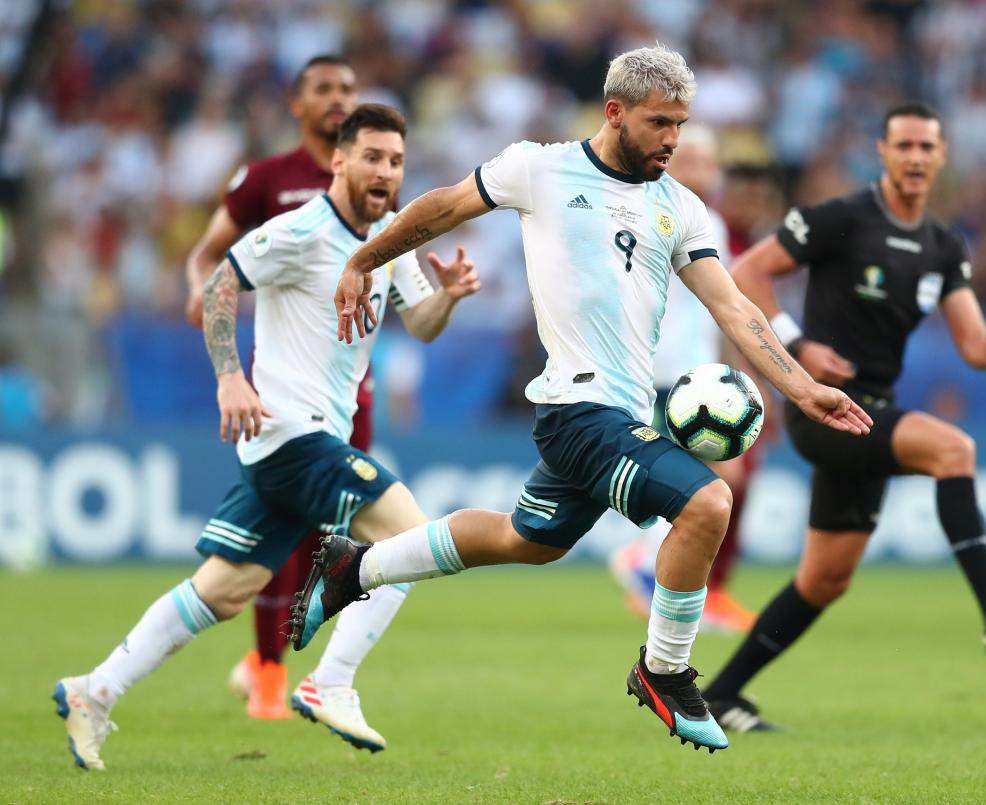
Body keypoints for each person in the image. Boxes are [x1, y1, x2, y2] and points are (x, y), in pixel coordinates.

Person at [290, 45, 871, 754]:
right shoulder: (539, 167)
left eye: (681, 125)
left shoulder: (680, 208)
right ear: (616, 111)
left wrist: (802, 385)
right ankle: (665, 669)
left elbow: (733, 306)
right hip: (577, 410)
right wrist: (362, 259)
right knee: (709, 502)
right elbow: (443, 206)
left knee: (526, 539)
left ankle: (356, 565)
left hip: (619, 415)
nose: (673, 141)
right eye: (660, 123)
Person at [54, 104, 481, 770]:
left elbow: (420, 323)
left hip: (297, 445)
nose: (385, 171)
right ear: (338, 160)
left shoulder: (394, 241)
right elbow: (223, 282)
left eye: (396, 161)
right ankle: (331, 680)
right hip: (289, 432)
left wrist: (448, 295)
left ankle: (94, 690)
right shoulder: (302, 230)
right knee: (412, 538)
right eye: (371, 156)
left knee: (222, 591)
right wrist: (229, 377)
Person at [700, 102, 986, 733]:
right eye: (905, 146)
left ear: (942, 155)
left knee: (824, 579)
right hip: (824, 406)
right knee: (954, 450)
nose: (917, 157)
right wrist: (798, 344)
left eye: (928, 147)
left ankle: (724, 694)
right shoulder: (842, 219)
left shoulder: (945, 247)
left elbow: (973, 344)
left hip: (872, 411)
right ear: (884, 151)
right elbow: (747, 271)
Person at [184, 54, 375, 721]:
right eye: (324, 88)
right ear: (297, 105)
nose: (338, 98)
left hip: (355, 391)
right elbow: (211, 256)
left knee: (334, 539)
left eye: (348, 88)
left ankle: (286, 665)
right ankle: (269, 669)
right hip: (284, 393)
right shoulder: (268, 180)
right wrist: (198, 288)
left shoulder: (373, 180)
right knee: (285, 536)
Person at [607, 124, 758, 632]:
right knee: (704, 480)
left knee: (720, 478)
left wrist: (734, 373)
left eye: (706, 163)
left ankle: (661, 570)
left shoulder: (709, 221)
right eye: (688, 160)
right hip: (655, 373)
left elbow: (723, 308)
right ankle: (647, 563)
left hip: (700, 377)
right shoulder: (643, 209)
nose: (698, 171)